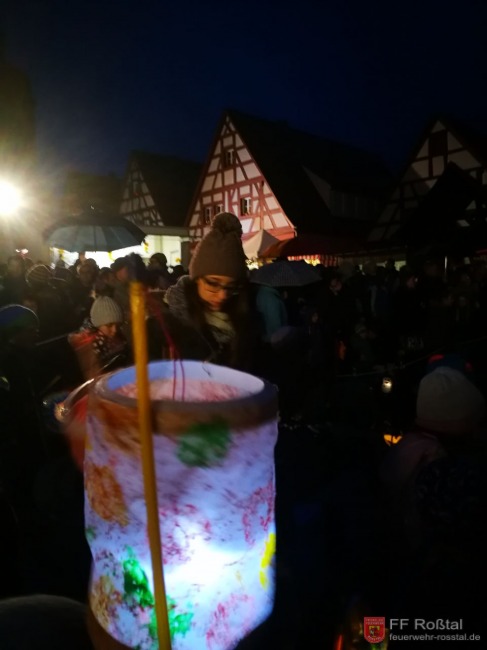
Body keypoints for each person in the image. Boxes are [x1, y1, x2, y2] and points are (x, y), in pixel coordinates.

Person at [148, 212, 257, 370]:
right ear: (197, 279)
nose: (222, 295)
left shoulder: (246, 314)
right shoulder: (167, 322)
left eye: (231, 287)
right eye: (213, 284)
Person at [68, 296, 128, 381]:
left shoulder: (118, 337)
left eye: (118, 325)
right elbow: (92, 377)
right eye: (109, 325)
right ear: (97, 324)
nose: (115, 330)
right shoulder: (90, 345)